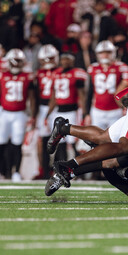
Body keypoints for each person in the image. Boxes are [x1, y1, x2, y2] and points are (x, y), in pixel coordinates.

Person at [0, 49, 37, 181]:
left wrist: (32, 116)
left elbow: (32, 98)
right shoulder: (2, 75)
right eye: (14, 62)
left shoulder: (27, 76)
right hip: (4, 112)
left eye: (19, 62)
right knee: (1, 142)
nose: (16, 65)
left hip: (20, 114)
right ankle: (3, 171)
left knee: (17, 145)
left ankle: (16, 171)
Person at [45, 52, 87, 162]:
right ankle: (62, 167)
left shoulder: (76, 73)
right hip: (58, 111)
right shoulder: (56, 74)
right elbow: (53, 97)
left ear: (72, 61)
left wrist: (84, 112)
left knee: (73, 141)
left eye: (67, 59)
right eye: (63, 59)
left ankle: (79, 170)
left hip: (72, 111)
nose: (65, 61)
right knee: (60, 142)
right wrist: (48, 114)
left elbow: (81, 95)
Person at [85, 40, 128, 129]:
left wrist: (125, 107)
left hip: (116, 110)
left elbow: (126, 91)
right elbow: (89, 92)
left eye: (108, 52)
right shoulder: (93, 68)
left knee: (115, 140)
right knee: (96, 141)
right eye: (102, 53)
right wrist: (87, 113)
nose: (105, 55)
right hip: (97, 111)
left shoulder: (121, 67)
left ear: (113, 53)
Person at [34, 44, 60, 179]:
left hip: (57, 107)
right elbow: (35, 94)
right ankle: (43, 169)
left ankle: (57, 168)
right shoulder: (39, 73)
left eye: (50, 58)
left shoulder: (60, 71)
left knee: (58, 139)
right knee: (43, 139)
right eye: (45, 59)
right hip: (43, 107)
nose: (48, 61)